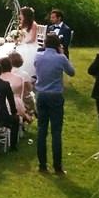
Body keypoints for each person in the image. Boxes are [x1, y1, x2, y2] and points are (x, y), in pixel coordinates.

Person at [32, 33, 75, 175]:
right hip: (55, 95)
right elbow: (72, 72)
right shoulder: (60, 58)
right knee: (56, 131)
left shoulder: (38, 57)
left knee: (41, 129)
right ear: (58, 45)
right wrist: (62, 53)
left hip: (41, 94)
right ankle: (57, 166)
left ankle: (42, 164)